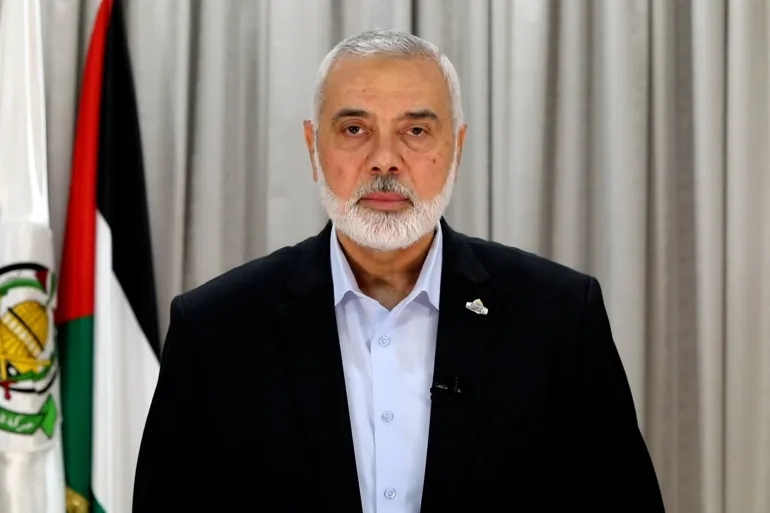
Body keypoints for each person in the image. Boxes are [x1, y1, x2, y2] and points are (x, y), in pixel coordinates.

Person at [132, 29, 664, 513]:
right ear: (313, 148)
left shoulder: (560, 318)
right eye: (355, 128)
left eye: (415, 130)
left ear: (456, 149)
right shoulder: (215, 329)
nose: (384, 160)